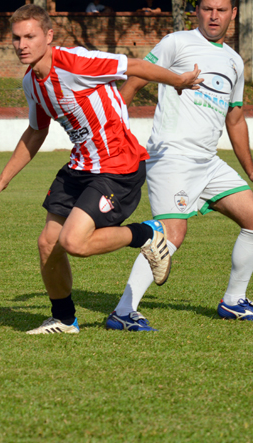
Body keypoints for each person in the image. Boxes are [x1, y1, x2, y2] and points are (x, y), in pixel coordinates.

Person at [0, 4, 202, 334]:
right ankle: (65, 319)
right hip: (81, 167)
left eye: (30, 36)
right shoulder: (32, 83)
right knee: (47, 244)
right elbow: (37, 131)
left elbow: (135, 65)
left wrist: (178, 80)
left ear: (48, 36)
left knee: (74, 242)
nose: (22, 44)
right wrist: (1, 180)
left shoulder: (75, 62)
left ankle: (148, 234)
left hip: (118, 165)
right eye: (16, 38)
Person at [110, 0, 253, 330]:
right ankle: (123, 311)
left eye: (221, 9)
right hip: (171, 157)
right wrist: (112, 131)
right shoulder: (177, 42)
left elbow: (235, 119)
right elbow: (133, 81)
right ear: (197, 11)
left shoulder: (233, 61)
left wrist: (250, 168)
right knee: (172, 235)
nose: (213, 16)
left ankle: (233, 302)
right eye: (206, 8)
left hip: (208, 162)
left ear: (234, 13)